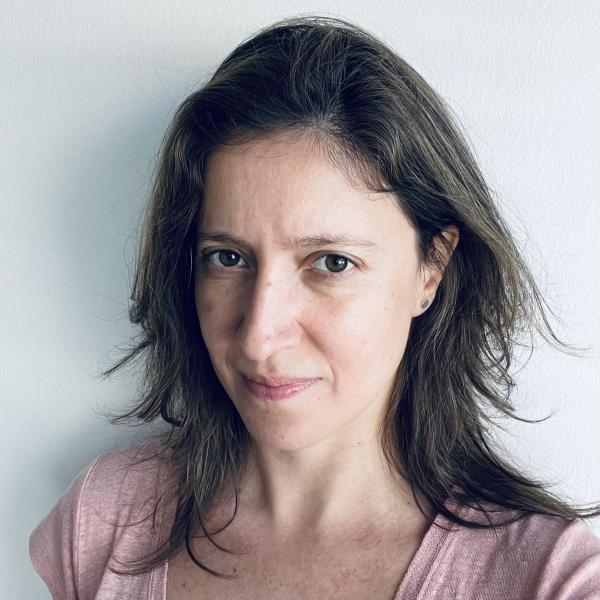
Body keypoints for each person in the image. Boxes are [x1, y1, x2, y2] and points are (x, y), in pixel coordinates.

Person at [29, 15, 600, 600]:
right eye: (227, 258)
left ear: (432, 268)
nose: (258, 337)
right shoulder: (106, 520)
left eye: (331, 263)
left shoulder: (552, 578)